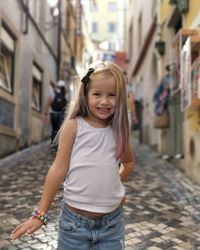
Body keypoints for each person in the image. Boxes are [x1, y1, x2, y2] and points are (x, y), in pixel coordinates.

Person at [11, 62, 135, 250]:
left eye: (112, 95)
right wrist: (41, 213)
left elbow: (128, 162)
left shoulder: (119, 130)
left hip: (112, 224)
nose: (104, 101)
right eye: (97, 94)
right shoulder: (74, 126)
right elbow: (58, 169)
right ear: (85, 95)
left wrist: (115, 182)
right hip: (74, 225)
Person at [44, 80, 68, 153]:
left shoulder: (52, 93)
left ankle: (53, 146)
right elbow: (67, 105)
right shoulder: (65, 94)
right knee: (60, 130)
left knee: (54, 130)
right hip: (61, 114)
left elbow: (48, 103)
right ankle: (58, 146)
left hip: (53, 114)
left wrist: (45, 113)